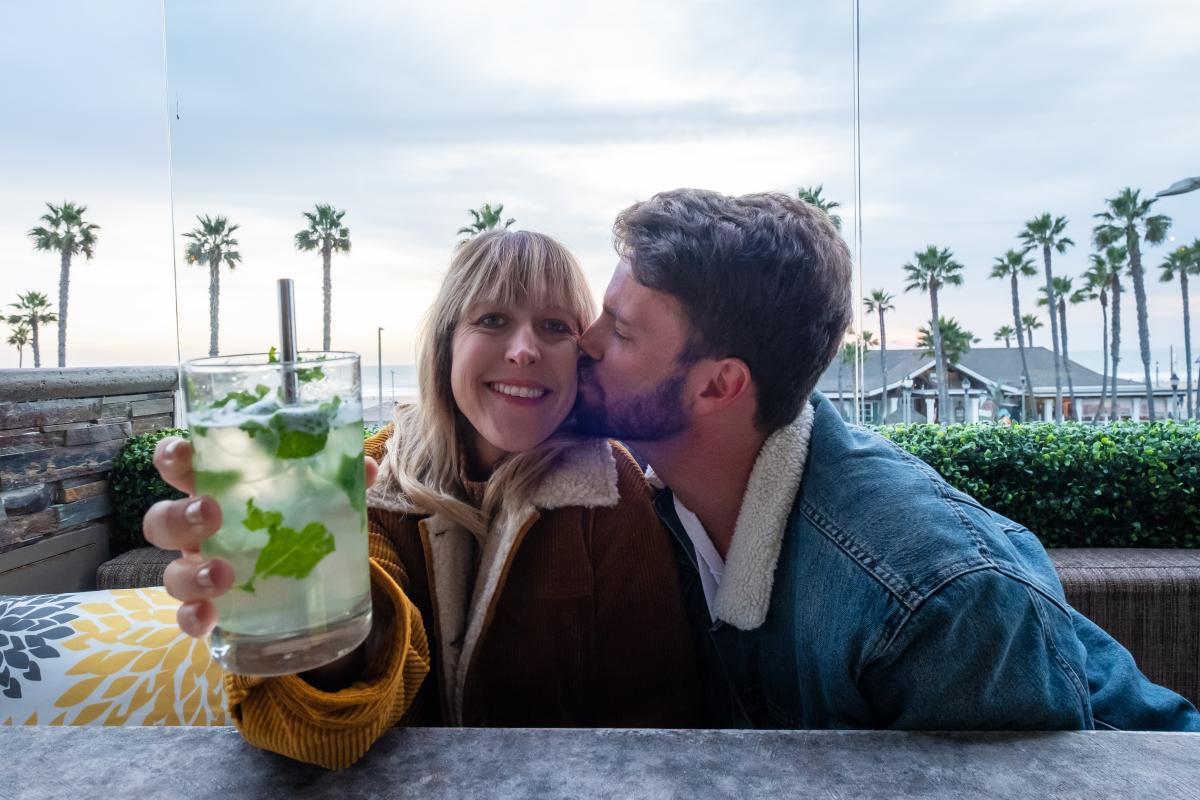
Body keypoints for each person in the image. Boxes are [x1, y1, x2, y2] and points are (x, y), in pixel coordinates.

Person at [572, 188, 1200, 731]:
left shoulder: (936, 599)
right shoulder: (656, 506)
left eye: (622, 331)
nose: (586, 342)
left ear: (718, 386)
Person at [144, 230, 699, 769]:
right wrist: (313, 625)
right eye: (492, 319)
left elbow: (658, 725)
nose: (525, 350)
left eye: (555, 326)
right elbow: (316, 738)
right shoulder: (365, 477)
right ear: (444, 347)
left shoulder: (610, 487)